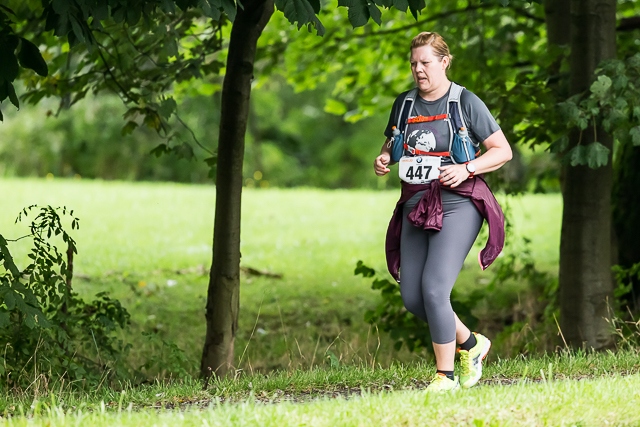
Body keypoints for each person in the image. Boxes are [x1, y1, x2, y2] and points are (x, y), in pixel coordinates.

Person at [373, 32, 512, 393]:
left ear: (444, 62)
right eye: (414, 64)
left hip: (459, 203)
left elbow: (502, 151)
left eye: (426, 63)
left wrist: (467, 169)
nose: (419, 70)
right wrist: (386, 157)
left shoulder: (464, 101)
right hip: (416, 205)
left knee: (435, 290)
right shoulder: (404, 104)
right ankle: (472, 344)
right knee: (413, 297)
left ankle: (444, 377)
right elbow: (394, 142)